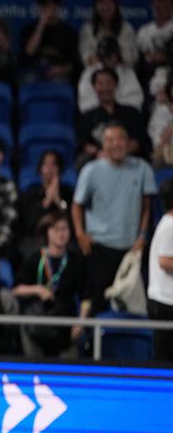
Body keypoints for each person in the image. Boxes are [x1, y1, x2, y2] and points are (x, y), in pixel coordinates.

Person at [73, 122, 156, 316]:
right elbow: (77, 205)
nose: (116, 144)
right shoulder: (91, 170)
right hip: (99, 248)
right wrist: (80, 233)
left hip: (130, 251)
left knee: (130, 306)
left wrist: (142, 235)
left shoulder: (142, 168)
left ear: (128, 143)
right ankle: (94, 346)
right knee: (98, 304)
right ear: (103, 144)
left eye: (120, 139)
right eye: (110, 140)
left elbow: (146, 206)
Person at [14, 211, 86, 357]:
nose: (60, 233)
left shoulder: (76, 261)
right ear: (47, 232)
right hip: (36, 325)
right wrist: (37, 290)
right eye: (55, 229)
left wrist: (81, 321)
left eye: (64, 229)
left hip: (65, 327)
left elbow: (87, 295)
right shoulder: (35, 258)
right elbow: (16, 290)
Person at [76, 68, 150, 165]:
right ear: (94, 87)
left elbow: (137, 141)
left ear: (116, 84)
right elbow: (84, 144)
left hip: (128, 159)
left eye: (109, 82)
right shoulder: (87, 116)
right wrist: (101, 153)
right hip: (99, 160)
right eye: (100, 83)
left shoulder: (131, 112)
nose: (105, 88)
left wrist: (118, 154)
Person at [15, 149, 73, 260]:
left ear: (60, 169)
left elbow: (73, 221)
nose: (50, 169)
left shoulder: (68, 192)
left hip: (64, 239)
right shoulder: (31, 193)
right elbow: (28, 224)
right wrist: (47, 201)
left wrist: (58, 200)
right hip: (36, 240)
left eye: (54, 164)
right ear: (40, 169)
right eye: (46, 164)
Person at [20, 0, 78, 84]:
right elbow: (29, 52)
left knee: (59, 82)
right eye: (44, 5)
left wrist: (61, 70)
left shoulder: (68, 32)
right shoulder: (29, 29)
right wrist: (41, 24)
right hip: (34, 70)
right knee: (28, 79)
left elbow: (73, 63)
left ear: (59, 6)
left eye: (52, 5)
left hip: (59, 71)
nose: (48, 9)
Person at [77, 37, 144, 113]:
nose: (107, 60)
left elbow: (135, 100)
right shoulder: (89, 73)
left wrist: (114, 111)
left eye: (110, 56)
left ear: (118, 55)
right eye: (104, 57)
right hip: (95, 116)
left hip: (123, 116)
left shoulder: (128, 73)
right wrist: (103, 112)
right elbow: (85, 102)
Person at [78, 0, 138, 68]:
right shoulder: (87, 29)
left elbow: (132, 57)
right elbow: (85, 55)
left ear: (116, 6)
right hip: (95, 70)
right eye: (101, 3)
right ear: (96, 6)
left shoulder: (127, 28)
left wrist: (116, 60)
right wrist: (101, 66)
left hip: (123, 70)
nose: (105, 7)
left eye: (110, 2)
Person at [148, 179, 173, 360]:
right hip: (165, 303)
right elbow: (164, 261)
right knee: (165, 360)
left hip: (166, 302)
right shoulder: (170, 225)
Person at [137, 0, 173, 76]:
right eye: (158, 1)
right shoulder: (143, 31)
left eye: (166, 1)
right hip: (148, 74)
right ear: (152, 4)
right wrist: (146, 57)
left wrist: (166, 57)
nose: (162, 4)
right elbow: (137, 58)